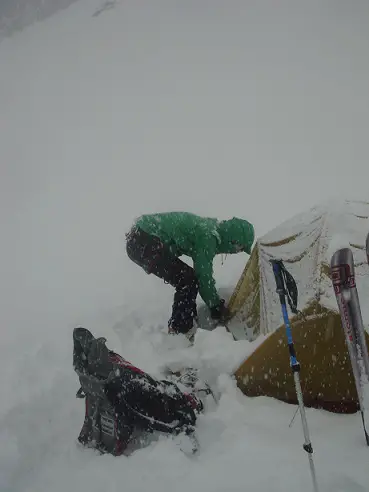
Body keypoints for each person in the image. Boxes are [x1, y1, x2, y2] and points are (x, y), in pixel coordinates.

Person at [73, 327, 204, 456]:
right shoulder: (122, 387)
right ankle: (180, 397)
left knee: (146, 389)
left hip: (117, 394)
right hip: (136, 394)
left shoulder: (101, 377)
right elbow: (148, 417)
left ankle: (174, 394)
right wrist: (181, 422)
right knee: (148, 393)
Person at [126, 211, 254, 342]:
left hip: (139, 237)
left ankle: (186, 323)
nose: (237, 252)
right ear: (233, 240)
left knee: (188, 278)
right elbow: (204, 277)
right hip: (143, 240)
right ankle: (179, 333)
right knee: (188, 279)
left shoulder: (209, 230)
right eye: (240, 248)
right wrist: (216, 307)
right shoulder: (208, 236)